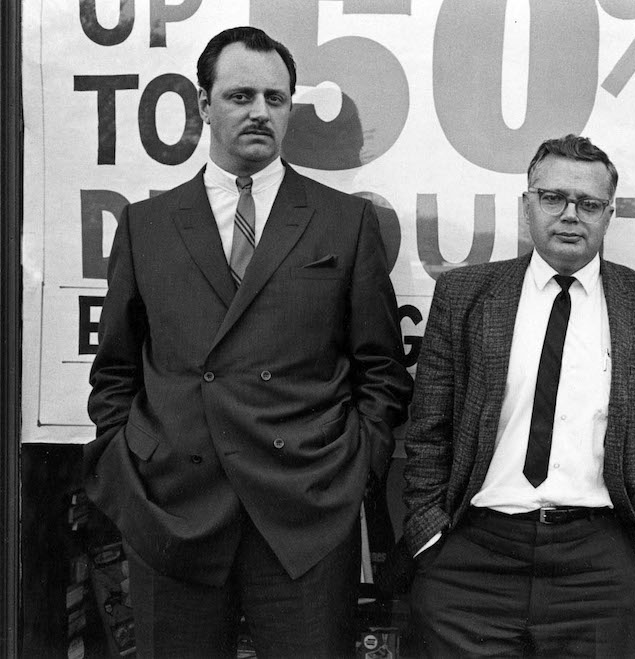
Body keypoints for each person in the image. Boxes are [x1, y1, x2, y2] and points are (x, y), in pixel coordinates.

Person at [85, 26, 412, 657]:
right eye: (239, 96)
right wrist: (130, 474)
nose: (260, 112)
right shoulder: (146, 225)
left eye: (276, 98)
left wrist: (353, 468)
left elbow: (382, 370)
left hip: (305, 515)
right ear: (203, 105)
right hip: (172, 509)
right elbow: (115, 371)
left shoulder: (345, 222)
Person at [402, 134, 635, 656]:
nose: (570, 215)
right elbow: (428, 431)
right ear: (526, 204)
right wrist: (430, 539)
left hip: (599, 562)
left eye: (589, 204)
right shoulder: (465, 294)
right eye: (553, 198)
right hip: (473, 555)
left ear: (610, 213)